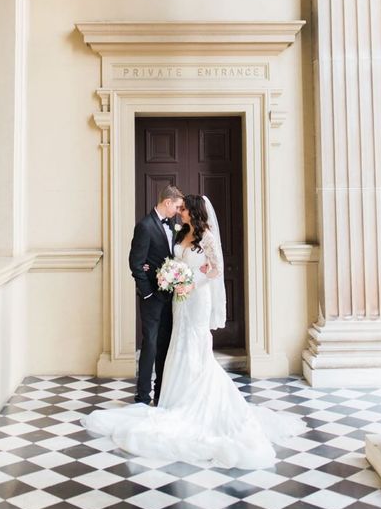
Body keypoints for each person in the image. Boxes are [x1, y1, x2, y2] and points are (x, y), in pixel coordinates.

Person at [82, 195, 305, 469]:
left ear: (194, 212)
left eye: (184, 209)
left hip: (197, 298)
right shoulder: (182, 232)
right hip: (180, 300)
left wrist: (191, 282)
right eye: (180, 208)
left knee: (196, 344)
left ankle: (199, 401)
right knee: (179, 343)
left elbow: (217, 270)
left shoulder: (207, 237)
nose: (180, 212)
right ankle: (174, 398)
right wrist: (173, 278)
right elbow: (170, 260)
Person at [128, 185, 184, 406]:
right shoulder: (144, 226)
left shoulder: (172, 224)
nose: (178, 211)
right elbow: (136, 263)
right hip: (152, 298)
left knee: (165, 345)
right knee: (149, 344)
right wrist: (148, 293)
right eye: (177, 206)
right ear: (167, 202)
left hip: (170, 297)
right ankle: (142, 396)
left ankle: (161, 393)